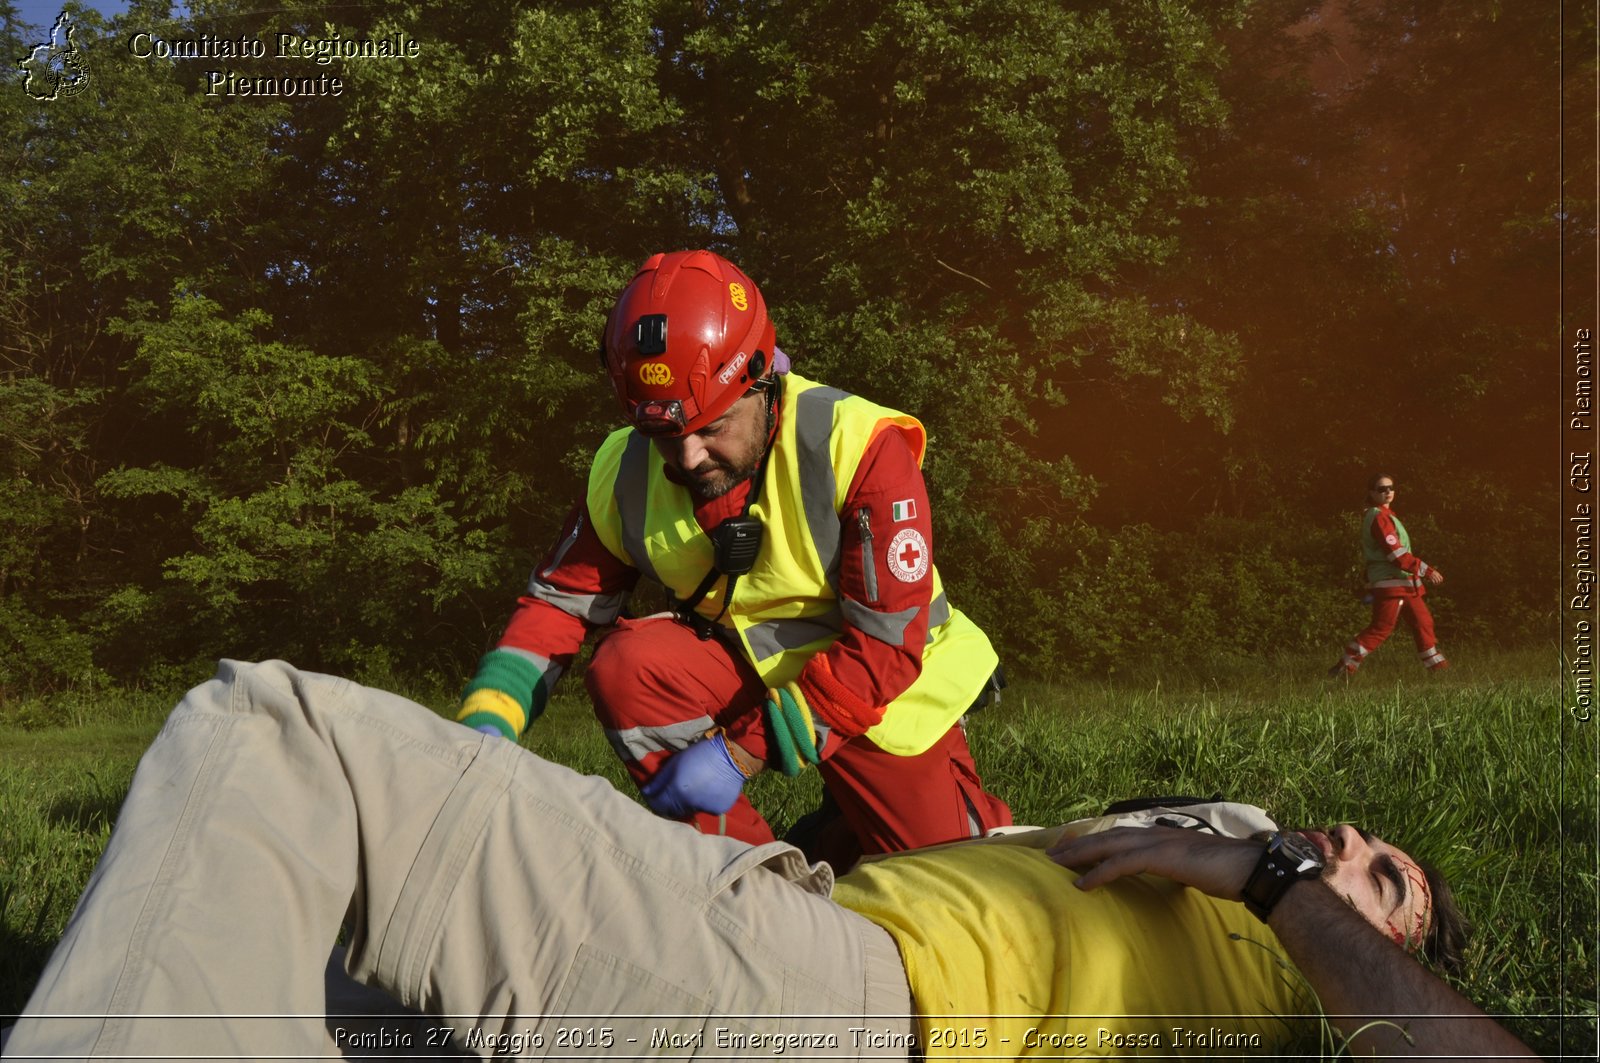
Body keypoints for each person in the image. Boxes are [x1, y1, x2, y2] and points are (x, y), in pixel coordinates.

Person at [6, 662, 1536, 1061]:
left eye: (1385, 871)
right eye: (1348, 836)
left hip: (834, 997)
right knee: (268, 950)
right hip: (797, 942)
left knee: (273, 742)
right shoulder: (1213, 867)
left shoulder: (1295, 967)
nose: (1345, 845)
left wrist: (1284, 888)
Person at [455, 249, 1010, 868]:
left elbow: (884, 648)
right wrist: (485, 727)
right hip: (754, 675)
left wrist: (735, 755)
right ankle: (756, 887)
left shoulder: (859, 445)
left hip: (887, 698)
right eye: (665, 434)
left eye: (711, 428)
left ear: (762, 378)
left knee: (950, 883)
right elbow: (557, 606)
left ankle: (860, 835)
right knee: (629, 669)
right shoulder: (626, 469)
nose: (687, 458)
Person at [1330, 472, 1449, 677]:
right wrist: (1426, 570)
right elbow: (1396, 554)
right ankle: (1344, 668)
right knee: (1381, 628)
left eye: (1391, 487)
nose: (1388, 492)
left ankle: (1438, 670)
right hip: (1391, 584)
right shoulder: (1379, 517)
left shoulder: (1387, 515)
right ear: (1372, 493)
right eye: (1381, 489)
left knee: (1423, 622)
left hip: (1404, 583)